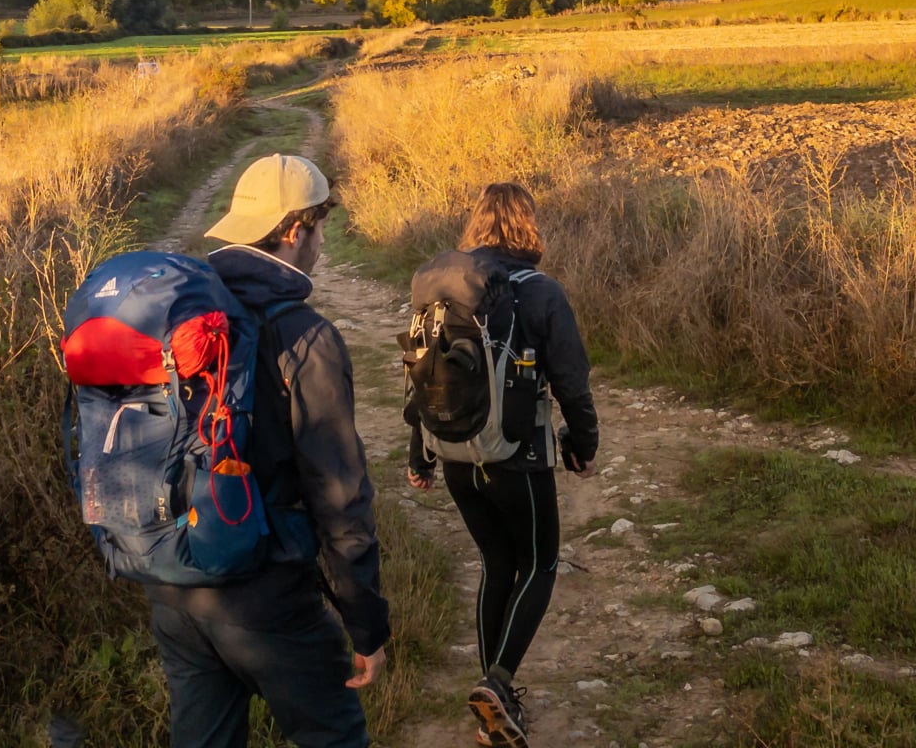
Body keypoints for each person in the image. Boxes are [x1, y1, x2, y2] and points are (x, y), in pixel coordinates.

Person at [147, 153, 390, 748]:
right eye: (320, 226)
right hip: (267, 598)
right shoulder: (304, 336)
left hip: (175, 590)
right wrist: (365, 624)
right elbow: (340, 495)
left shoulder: (183, 310)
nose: (321, 242)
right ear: (293, 230)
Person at [407, 182, 599, 748]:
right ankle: (498, 684)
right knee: (539, 564)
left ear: (477, 224)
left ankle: (496, 703)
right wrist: (581, 445)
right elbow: (571, 382)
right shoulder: (540, 291)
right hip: (519, 455)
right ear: (527, 225)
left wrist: (419, 453)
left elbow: (421, 374)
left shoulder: (442, 288)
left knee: (496, 564)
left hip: (457, 454)